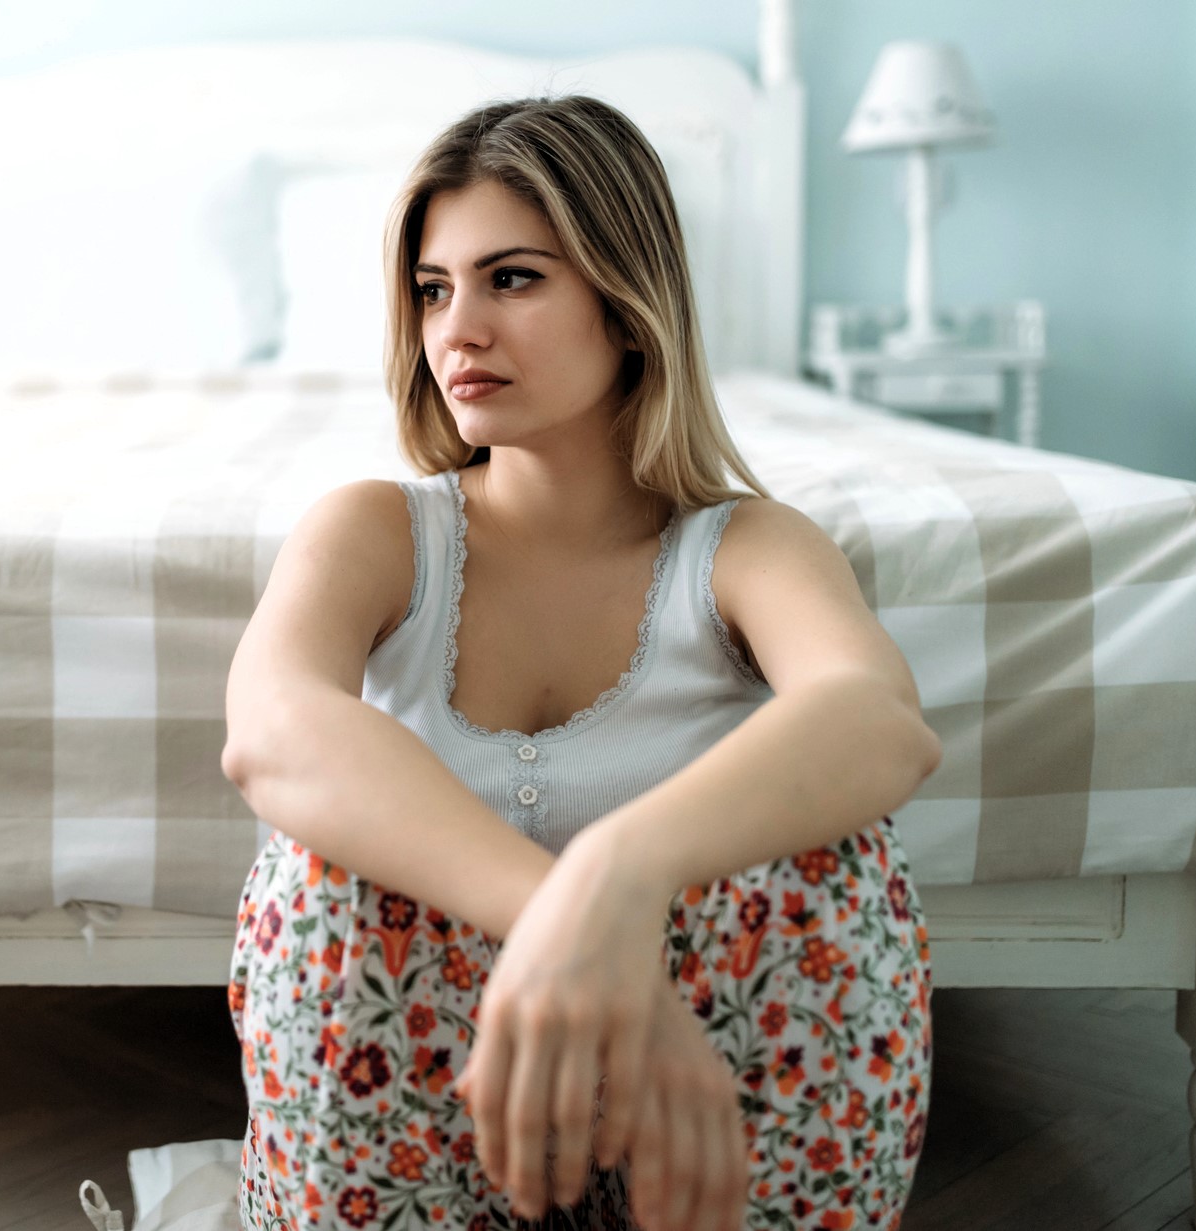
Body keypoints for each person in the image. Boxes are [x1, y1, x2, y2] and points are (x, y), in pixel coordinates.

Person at [220, 94, 941, 1231]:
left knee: (831, 856)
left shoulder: (747, 547)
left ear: (627, 301)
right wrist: (556, 916)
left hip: (695, 1108)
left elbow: (881, 718)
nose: (456, 327)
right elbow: (270, 729)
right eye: (431, 288)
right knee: (325, 872)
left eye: (511, 278)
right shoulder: (374, 531)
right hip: (426, 1107)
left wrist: (622, 876)